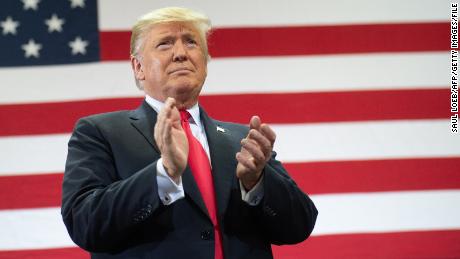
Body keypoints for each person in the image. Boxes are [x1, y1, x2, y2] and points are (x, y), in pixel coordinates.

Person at [61, 7, 317, 259]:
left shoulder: (243, 142)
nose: (181, 53)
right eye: (165, 44)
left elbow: (300, 226)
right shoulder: (100, 132)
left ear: (204, 64)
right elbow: (84, 223)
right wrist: (164, 174)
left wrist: (257, 182)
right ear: (138, 67)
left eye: (191, 42)